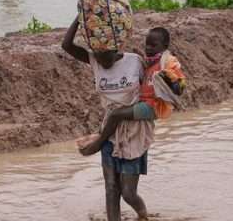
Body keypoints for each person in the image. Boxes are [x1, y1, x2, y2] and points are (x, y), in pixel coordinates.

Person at [62, 18, 153, 221]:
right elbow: (66, 45)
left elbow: (153, 93)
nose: (103, 61)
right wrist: (80, 18)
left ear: (117, 46)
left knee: (128, 193)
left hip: (134, 130)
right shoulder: (94, 59)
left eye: (107, 54)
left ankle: (143, 217)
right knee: (111, 187)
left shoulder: (135, 62)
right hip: (109, 131)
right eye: (99, 55)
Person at [77, 27, 186, 156]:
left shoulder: (168, 61)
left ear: (165, 46)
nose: (149, 48)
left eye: (153, 45)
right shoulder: (150, 61)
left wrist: (171, 81)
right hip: (144, 102)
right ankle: (100, 135)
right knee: (114, 114)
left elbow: (180, 86)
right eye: (147, 45)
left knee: (116, 115)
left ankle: (98, 143)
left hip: (153, 106)